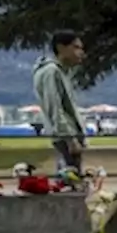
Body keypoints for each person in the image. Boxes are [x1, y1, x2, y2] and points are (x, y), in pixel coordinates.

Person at [33, 30, 88, 171]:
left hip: (70, 133)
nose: (81, 52)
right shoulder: (51, 72)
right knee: (70, 178)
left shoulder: (63, 71)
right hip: (65, 135)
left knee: (73, 178)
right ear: (61, 48)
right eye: (76, 47)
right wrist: (69, 139)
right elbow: (55, 107)